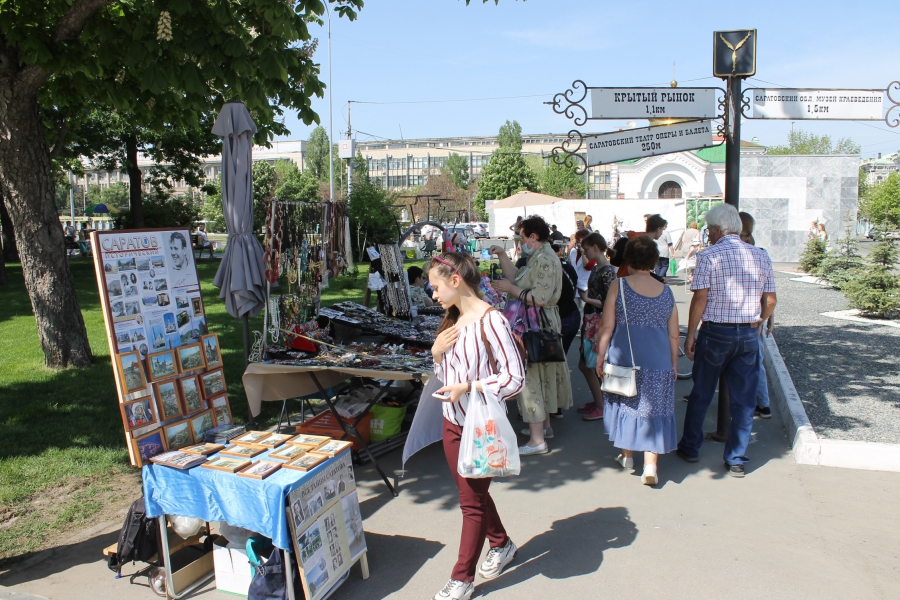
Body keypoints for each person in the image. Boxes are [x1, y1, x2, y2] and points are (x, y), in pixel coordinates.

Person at [429, 252, 524, 600]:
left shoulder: (492, 321)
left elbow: (515, 379)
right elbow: (445, 376)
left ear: (455, 281)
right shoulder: (451, 323)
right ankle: (501, 542)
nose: (433, 295)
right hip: (453, 423)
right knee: (475, 495)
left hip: (481, 427)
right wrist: (437, 352)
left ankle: (462, 579)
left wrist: (471, 387)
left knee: (470, 503)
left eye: (436, 287)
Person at [677, 204, 777, 478]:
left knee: (702, 392)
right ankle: (736, 458)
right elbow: (770, 300)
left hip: (715, 332)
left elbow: (700, 298)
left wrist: (692, 333)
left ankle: (690, 447)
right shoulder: (761, 256)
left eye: (710, 230)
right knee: (743, 400)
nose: (709, 234)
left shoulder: (710, 255)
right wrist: (759, 321)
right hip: (747, 333)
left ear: (718, 230)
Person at [594, 236, 679, 486]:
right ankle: (650, 464)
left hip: (625, 359)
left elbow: (607, 326)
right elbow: (673, 333)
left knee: (627, 403)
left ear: (628, 259)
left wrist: (601, 355)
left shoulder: (619, 286)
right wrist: (673, 363)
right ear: (653, 261)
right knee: (654, 408)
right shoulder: (666, 291)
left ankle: (627, 455)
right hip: (659, 359)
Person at [489, 216, 573, 455]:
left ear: (533, 237)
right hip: (537, 324)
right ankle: (543, 428)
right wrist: (503, 257)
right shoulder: (540, 256)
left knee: (531, 376)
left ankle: (537, 440)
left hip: (535, 325)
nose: (520, 241)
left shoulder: (545, 258)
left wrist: (510, 289)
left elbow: (539, 297)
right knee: (541, 373)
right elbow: (518, 277)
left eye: (522, 237)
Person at [576, 233, 616, 422]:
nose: (584, 252)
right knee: (587, 363)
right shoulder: (599, 268)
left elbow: (609, 301)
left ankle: (601, 405)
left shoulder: (606, 271)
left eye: (587, 248)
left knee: (589, 364)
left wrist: (586, 299)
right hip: (592, 318)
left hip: (597, 319)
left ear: (595, 247)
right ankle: (598, 401)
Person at [739, 211, 773, 419]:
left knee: (747, 364)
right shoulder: (762, 253)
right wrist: (767, 318)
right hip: (756, 316)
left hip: (741, 317)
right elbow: (770, 295)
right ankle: (763, 404)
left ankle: (758, 404)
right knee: (755, 362)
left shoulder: (735, 253)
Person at [611, 214, 668, 279]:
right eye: (662, 230)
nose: (662, 233)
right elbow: (641, 270)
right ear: (658, 229)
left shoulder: (636, 237)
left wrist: (658, 278)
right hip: (631, 279)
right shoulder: (644, 245)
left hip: (625, 276)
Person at [568, 228, 593, 295]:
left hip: (584, 288)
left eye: (580, 241)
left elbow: (588, 266)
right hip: (573, 286)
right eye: (578, 241)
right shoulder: (573, 251)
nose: (579, 244)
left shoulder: (591, 253)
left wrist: (583, 252)